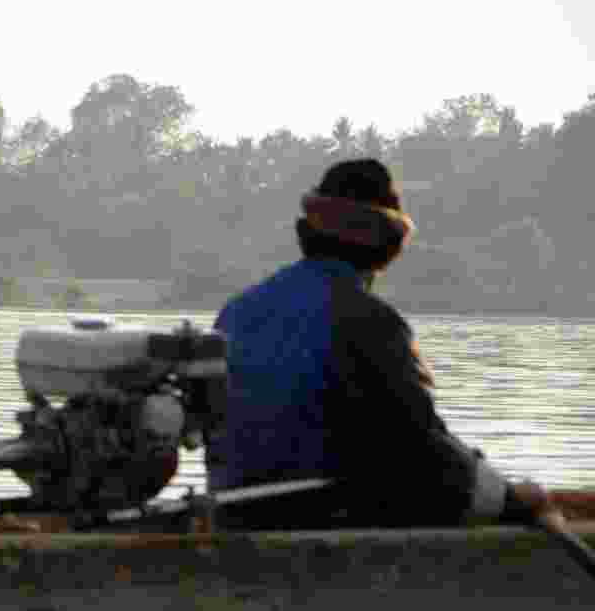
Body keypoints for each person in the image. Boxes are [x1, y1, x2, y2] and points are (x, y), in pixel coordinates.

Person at [207, 158, 562, 529]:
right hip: (319, 517)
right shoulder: (369, 320)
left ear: (304, 233)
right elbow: (421, 449)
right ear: (389, 247)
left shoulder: (236, 312)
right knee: (524, 495)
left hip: (233, 514)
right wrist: (510, 500)